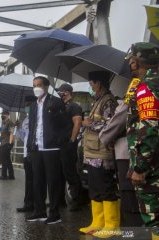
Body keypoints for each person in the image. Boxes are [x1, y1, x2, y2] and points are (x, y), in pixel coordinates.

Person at [79, 71, 119, 238]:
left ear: (99, 83)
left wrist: (90, 123)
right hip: (92, 152)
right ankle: (97, 223)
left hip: (102, 153)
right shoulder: (97, 100)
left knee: (105, 188)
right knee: (94, 189)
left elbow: (111, 125)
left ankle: (112, 225)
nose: (90, 85)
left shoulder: (108, 101)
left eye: (92, 83)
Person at [125, 42, 159, 238]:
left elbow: (150, 127)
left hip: (152, 168)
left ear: (135, 63)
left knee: (153, 220)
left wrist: (140, 167)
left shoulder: (147, 87)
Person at [26, 76, 65, 224]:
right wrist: (30, 146)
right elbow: (32, 127)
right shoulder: (34, 106)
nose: (36, 88)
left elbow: (64, 125)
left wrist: (58, 139)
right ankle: (39, 211)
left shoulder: (55, 102)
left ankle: (54, 213)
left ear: (47, 87)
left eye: (39, 85)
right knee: (38, 180)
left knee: (53, 181)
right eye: (34, 85)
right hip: (36, 147)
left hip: (51, 147)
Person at [99, 95, 143, 228]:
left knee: (129, 197)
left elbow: (119, 119)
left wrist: (105, 136)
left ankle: (135, 235)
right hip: (148, 151)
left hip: (129, 151)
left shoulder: (136, 90)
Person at [56, 83, 83, 211]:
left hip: (68, 143)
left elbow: (77, 123)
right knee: (60, 172)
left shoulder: (74, 106)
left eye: (61, 92)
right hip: (59, 143)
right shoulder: (62, 106)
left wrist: (72, 140)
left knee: (70, 172)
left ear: (66, 92)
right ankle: (60, 199)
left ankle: (76, 200)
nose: (59, 94)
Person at [16, 95, 37, 213]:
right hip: (26, 153)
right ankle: (28, 204)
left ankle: (37, 204)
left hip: (34, 152)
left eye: (29, 105)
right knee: (29, 180)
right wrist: (18, 129)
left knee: (36, 180)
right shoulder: (25, 120)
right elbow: (24, 138)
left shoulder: (38, 118)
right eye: (26, 105)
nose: (27, 107)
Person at [0, 110, 15, 180]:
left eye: (3, 114)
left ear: (7, 115)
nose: (2, 115)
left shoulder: (10, 122)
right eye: (2, 114)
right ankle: (11, 175)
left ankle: (4, 175)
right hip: (3, 143)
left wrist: (9, 144)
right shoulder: (4, 123)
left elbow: (11, 133)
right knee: (7, 159)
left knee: (4, 159)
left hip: (7, 143)